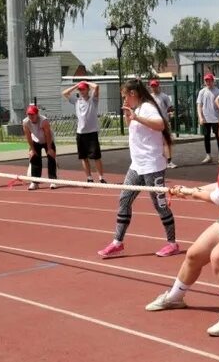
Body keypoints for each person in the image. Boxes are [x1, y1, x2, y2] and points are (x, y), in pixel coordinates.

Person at [149, 109, 219, 334]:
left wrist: (192, 193)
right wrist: (188, 191)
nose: (218, 130)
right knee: (194, 255)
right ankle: (175, 297)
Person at [98, 79, 180, 259]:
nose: (124, 99)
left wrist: (136, 116)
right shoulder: (138, 109)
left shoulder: (148, 107)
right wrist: (129, 115)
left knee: (160, 206)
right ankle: (117, 242)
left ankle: (172, 243)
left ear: (133, 94)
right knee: (124, 200)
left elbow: (160, 125)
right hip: (136, 165)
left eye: (125, 96)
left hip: (152, 165)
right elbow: (133, 127)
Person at [62, 81, 107, 183]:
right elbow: (64, 93)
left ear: (88, 90)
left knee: (96, 156)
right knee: (83, 157)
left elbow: (97, 86)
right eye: (80, 89)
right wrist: (76, 86)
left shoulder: (93, 100)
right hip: (80, 133)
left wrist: (85, 82)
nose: (81, 91)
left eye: (83, 89)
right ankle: (89, 177)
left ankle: (101, 177)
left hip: (92, 133)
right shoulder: (76, 101)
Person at [23, 105, 57, 190]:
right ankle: (35, 182)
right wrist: (32, 150)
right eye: (29, 114)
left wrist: (49, 149)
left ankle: (53, 180)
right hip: (35, 140)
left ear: (37, 114)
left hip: (47, 140)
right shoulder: (25, 122)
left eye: (32, 114)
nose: (31, 116)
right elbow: (28, 136)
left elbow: (48, 134)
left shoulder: (43, 121)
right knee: (34, 158)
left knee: (51, 157)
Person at [149, 79, 177, 168]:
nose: (154, 88)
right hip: (153, 122)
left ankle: (169, 161)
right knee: (154, 142)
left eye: (155, 86)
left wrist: (171, 112)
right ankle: (156, 161)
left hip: (164, 122)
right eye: (152, 86)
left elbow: (170, 108)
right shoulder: (149, 98)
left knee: (166, 141)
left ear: (158, 86)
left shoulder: (164, 96)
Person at [197, 73, 219, 163]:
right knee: (206, 137)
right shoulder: (202, 92)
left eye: (209, 80)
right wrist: (200, 117)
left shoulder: (218, 91)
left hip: (216, 118)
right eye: (206, 80)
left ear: (213, 81)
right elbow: (199, 105)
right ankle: (208, 156)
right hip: (206, 118)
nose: (208, 82)